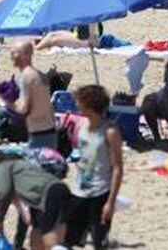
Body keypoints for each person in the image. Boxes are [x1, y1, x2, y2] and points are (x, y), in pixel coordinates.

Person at [66, 84, 123, 250]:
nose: (77, 105)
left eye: (80, 102)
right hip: (79, 191)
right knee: (68, 240)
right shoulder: (81, 126)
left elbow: (118, 168)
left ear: (90, 105)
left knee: (99, 243)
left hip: (100, 194)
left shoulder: (110, 132)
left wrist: (111, 202)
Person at [0, 149, 69, 250]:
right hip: (60, 189)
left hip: (46, 195)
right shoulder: (21, 165)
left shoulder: (1, 169)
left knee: (48, 237)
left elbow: (4, 193)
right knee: (38, 235)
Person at [4, 40, 58, 149]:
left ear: (26, 55)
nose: (12, 56)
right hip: (50, 131)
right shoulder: (39, 75)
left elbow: (23, 109)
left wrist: (8, 103)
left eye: (15, 53)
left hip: (39, 133)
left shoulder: (27, 77)